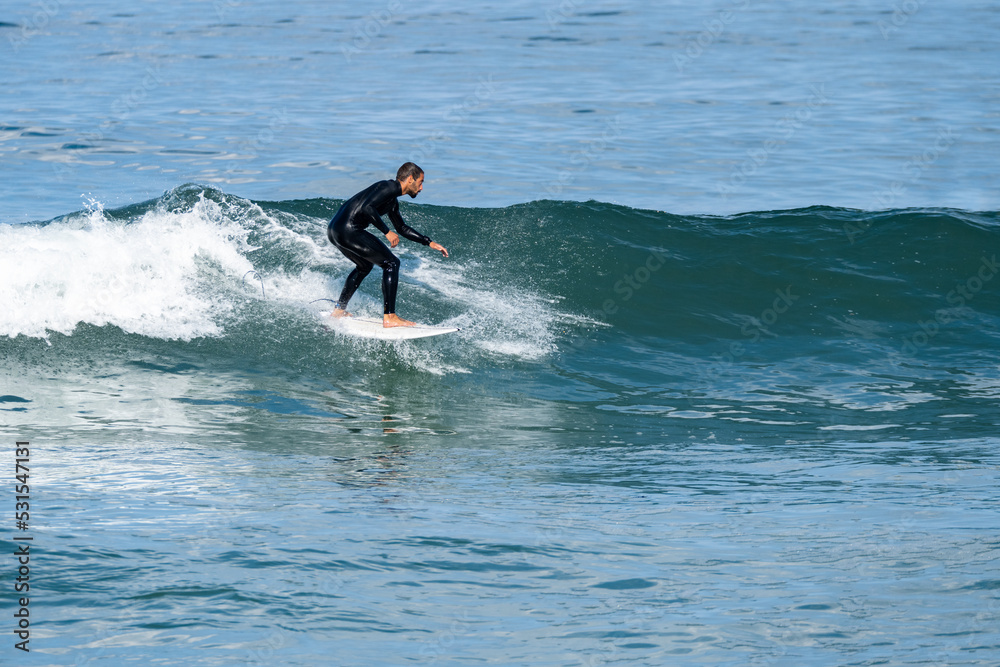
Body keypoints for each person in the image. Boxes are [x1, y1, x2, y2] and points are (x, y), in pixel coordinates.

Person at [327, 163, 449, 327]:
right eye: (420, 182)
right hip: (349, 229)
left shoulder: (391, 200)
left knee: (364, 267)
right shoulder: (389, 187)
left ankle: (339, 310)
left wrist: (429, 242)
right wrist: (386, 231)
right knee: (392, 263)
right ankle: (390, 317)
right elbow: (366, 208)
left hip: (336, 230)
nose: (421, 188)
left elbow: (402, 228)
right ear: (410, 179)